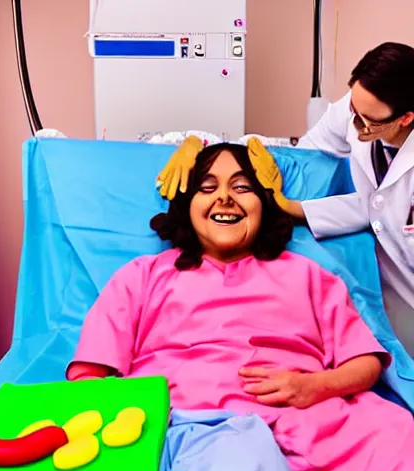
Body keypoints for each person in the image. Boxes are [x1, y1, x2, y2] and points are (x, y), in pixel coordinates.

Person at [67, 143, 414, 471]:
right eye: (207, 187)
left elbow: (365, 362)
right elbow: (92, 375)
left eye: (242, 187)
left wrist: (312, 386)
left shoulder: (309, 276)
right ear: (187, 205)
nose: (225, 198)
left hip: (311, 416)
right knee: (246, 454)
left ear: (265, 203)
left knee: (395, 433)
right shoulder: (143, 277)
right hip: (200, 422)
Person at [156, 42, 414, 356]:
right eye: (352, 112)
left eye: (367, 123)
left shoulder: (309, 277)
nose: (355, 125)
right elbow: (295, 155)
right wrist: (195, 141)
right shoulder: (147, 278)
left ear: (404, 118)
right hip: (385, 294)